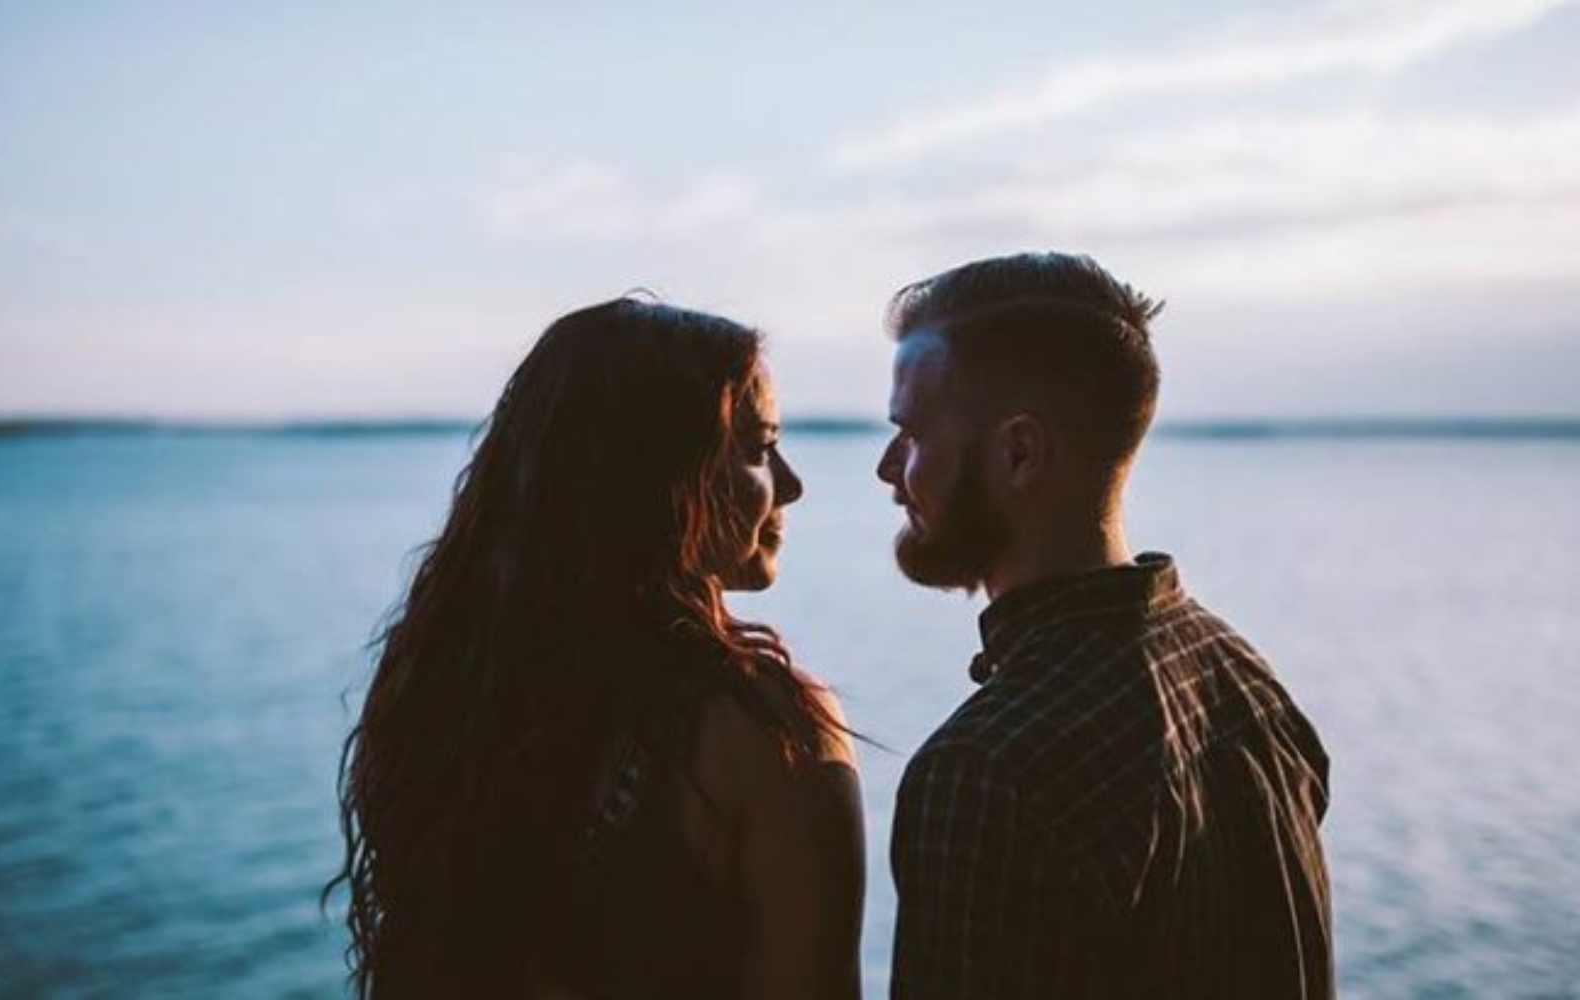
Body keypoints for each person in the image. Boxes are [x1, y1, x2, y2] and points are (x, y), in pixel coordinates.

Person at [330, 298, 865, 999]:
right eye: (760, 448)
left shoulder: (444, 689)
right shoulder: (768, 731)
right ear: (664, 473)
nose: (791, 486)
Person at [876, 253, 1333, 998]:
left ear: (1019, 454)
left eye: (914, 435)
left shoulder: (990, 769)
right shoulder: (1244, 677)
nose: (888, 468)